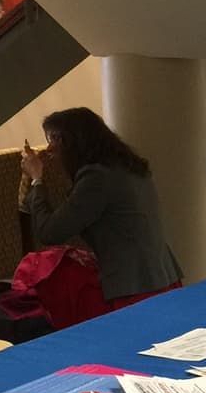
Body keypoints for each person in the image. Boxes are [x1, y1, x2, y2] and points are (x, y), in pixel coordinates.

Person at [20, 107, 183, 310]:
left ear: (74, 142)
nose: (50, 148)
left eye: (55, 139)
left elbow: (50, 232)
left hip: (136, 287)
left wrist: (37, 179)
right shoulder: (126, 166)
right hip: (161, 275)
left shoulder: (96, 178)